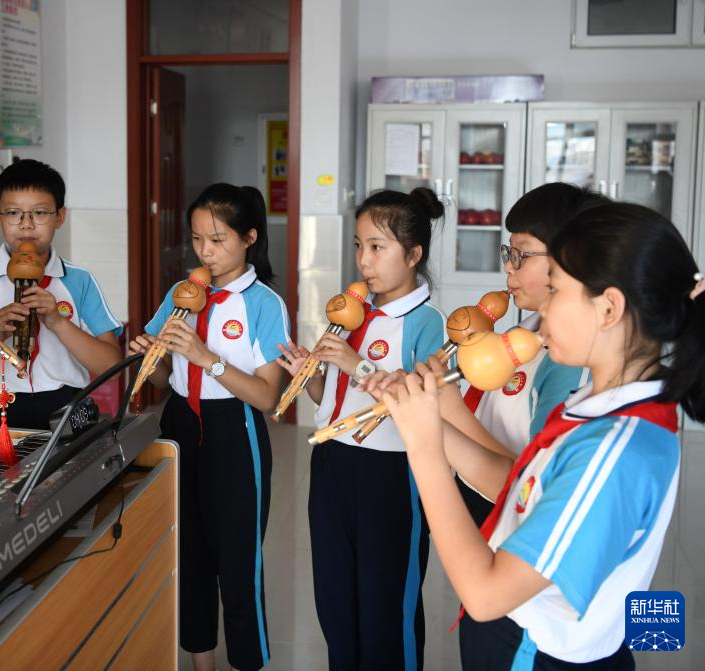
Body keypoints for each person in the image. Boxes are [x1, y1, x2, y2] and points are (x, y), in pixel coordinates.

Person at [379, 202, 705, 669]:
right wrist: (427, 418)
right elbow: (519, 487)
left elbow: (485, 594)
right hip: (518, 633)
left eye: (555, 289)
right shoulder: (602, 404)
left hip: (535, 651)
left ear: (609, 308)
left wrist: (425, 450)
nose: (543, 307)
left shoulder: (614, 449)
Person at [277, 188, 446, 670]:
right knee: (337, 603)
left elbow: (424, 407)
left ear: (413, 255)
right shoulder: (352, 314)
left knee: (386, 610)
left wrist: (356, 364)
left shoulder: (426, 323)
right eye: (358, 245)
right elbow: (332, 401)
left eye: (377, 247)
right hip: (332, 463)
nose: (363, 260)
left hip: (390, 473)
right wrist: (308, 376)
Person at [129, 183, 289, 671]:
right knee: (189, 556)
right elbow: (164, 377)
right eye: (197, 239)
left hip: (234, 428)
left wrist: (206, 358)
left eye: (217, 240)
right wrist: (149, 358)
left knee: (238, 564)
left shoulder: (263, 304)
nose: (205, 252)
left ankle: (247, 662)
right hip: (179, 421)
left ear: (249, 238)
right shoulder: (181, 296)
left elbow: (267, 396)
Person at [420, 184, 605, 524]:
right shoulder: (525, 331)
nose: (508, 267)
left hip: (509, 517)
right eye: (509, 252)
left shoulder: (568, 363)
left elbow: (533, 484)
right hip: (478, 498)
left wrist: (449, 411)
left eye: (522, 255)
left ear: (570, 261)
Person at [0, 159, 123, 429]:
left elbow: (112, 367)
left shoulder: (79, 281)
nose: (26, 224)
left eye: (40, 213)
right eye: (13, 213)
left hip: (66, 406)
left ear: (60, 217)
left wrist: (58, 323)